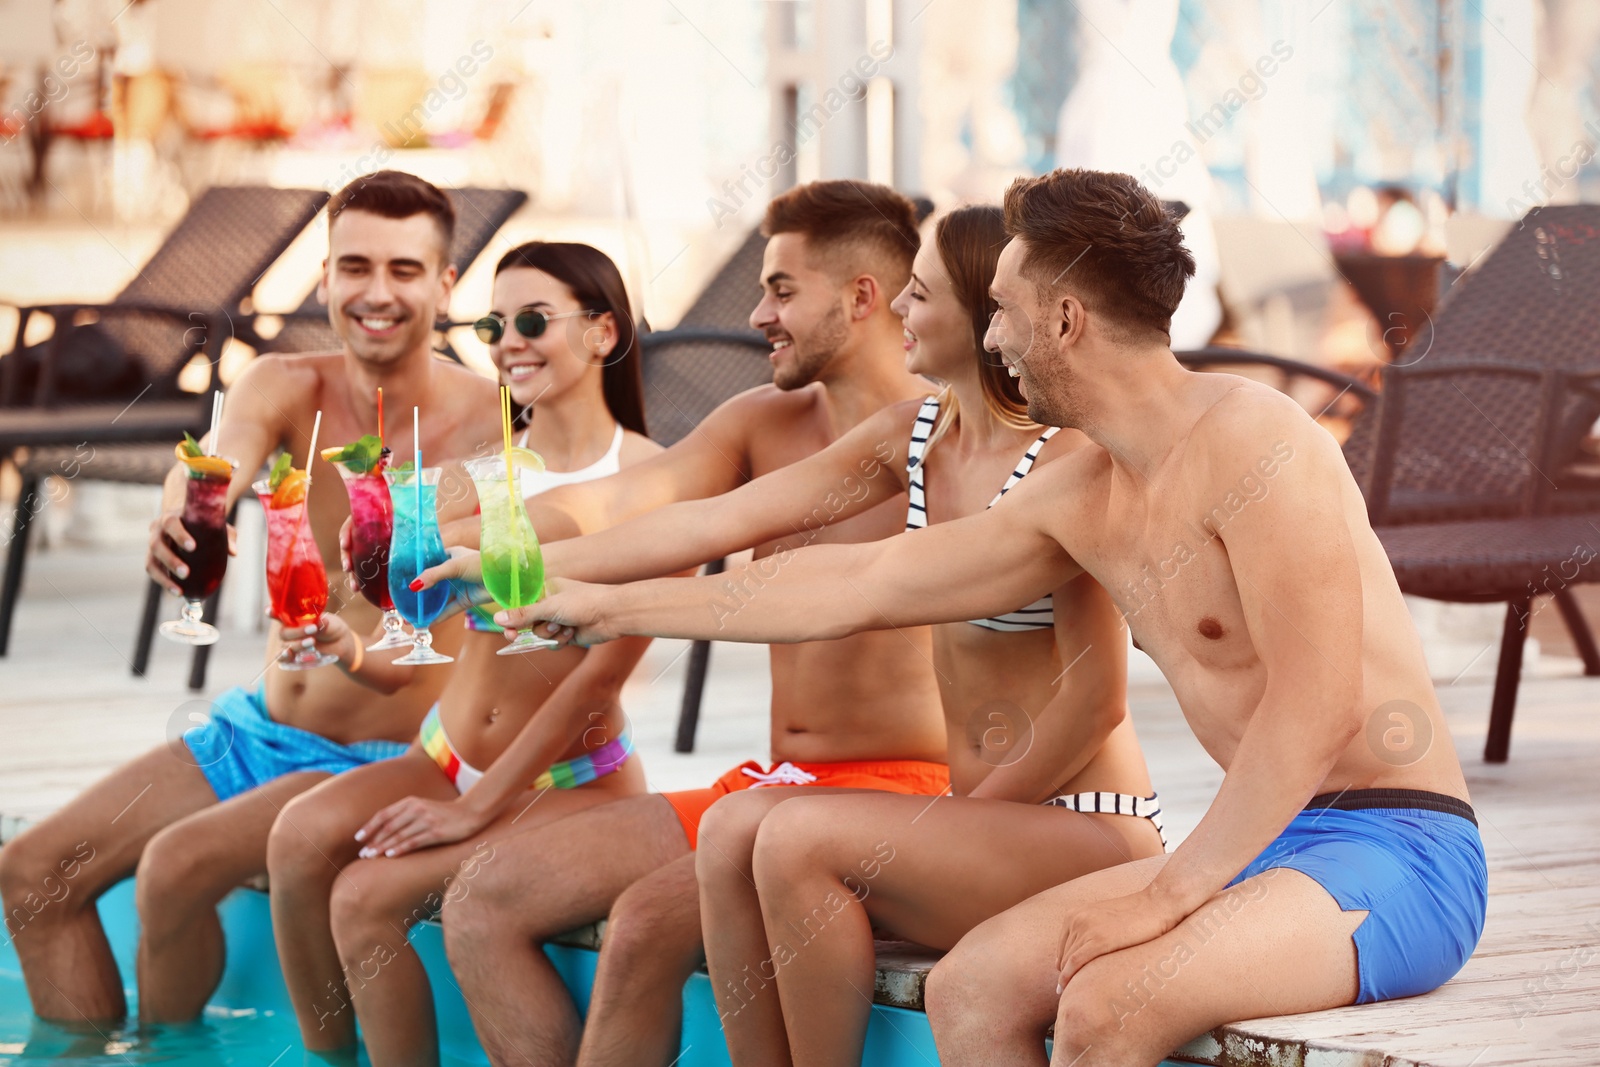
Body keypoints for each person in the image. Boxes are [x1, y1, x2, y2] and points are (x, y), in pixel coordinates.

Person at [520, 169, 1487, 1067]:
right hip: (1270, 841)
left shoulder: (1255, 440)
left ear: (1065, 319)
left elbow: (1314, 707)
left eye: (1006, 313)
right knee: (972, 987)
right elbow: (864, 584)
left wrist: (1168, 894)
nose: (991, 341)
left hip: (1401, 845)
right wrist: (604, 605)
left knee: (1110, 1000)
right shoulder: (1085, 493)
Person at [488, 203, 1166, 1066]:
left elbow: (1097, 702)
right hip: (980, 834)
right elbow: (721, 518)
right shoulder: (917, 439)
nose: (902, 314)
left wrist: (960, 820)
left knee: (798, 835)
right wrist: (532, 569)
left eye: (919, 296)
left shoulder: (1067, 462)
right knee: (737, 827)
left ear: (985, 312)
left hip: (1084, 828)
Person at [420, 179, 951, 1066]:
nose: (757, 314)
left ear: (862, 299)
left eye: (782, 288)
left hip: (901, 791)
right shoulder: (759, 422)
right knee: (486, 895)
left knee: (640, 929)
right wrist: (459, 537)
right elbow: (624, 503)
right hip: (774, 781)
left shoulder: (947, 443)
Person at [0, 170, 501, 1027]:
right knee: (34, 873)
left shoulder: (491, 426)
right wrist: (178, 518)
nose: (376, 293)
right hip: (259, 731)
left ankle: (167, 1047)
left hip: (389, 758)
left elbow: (466, 635)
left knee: (175, 867)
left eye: (405, 270)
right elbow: (212, 467)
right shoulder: (283, 383)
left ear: (446, 284)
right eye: (354, 267)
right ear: (326, 275)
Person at [264, 241, 663, 1064]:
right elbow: (417, 648)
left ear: (602, 332)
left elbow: (600, 679)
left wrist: (476, 811)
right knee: (299, 835)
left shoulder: (654, 479)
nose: (507, 341)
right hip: (443, 754)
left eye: (531, 320)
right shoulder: (463, 481)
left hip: (566, 780)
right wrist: (348, 645)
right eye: (492, 323)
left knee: (367, 897)